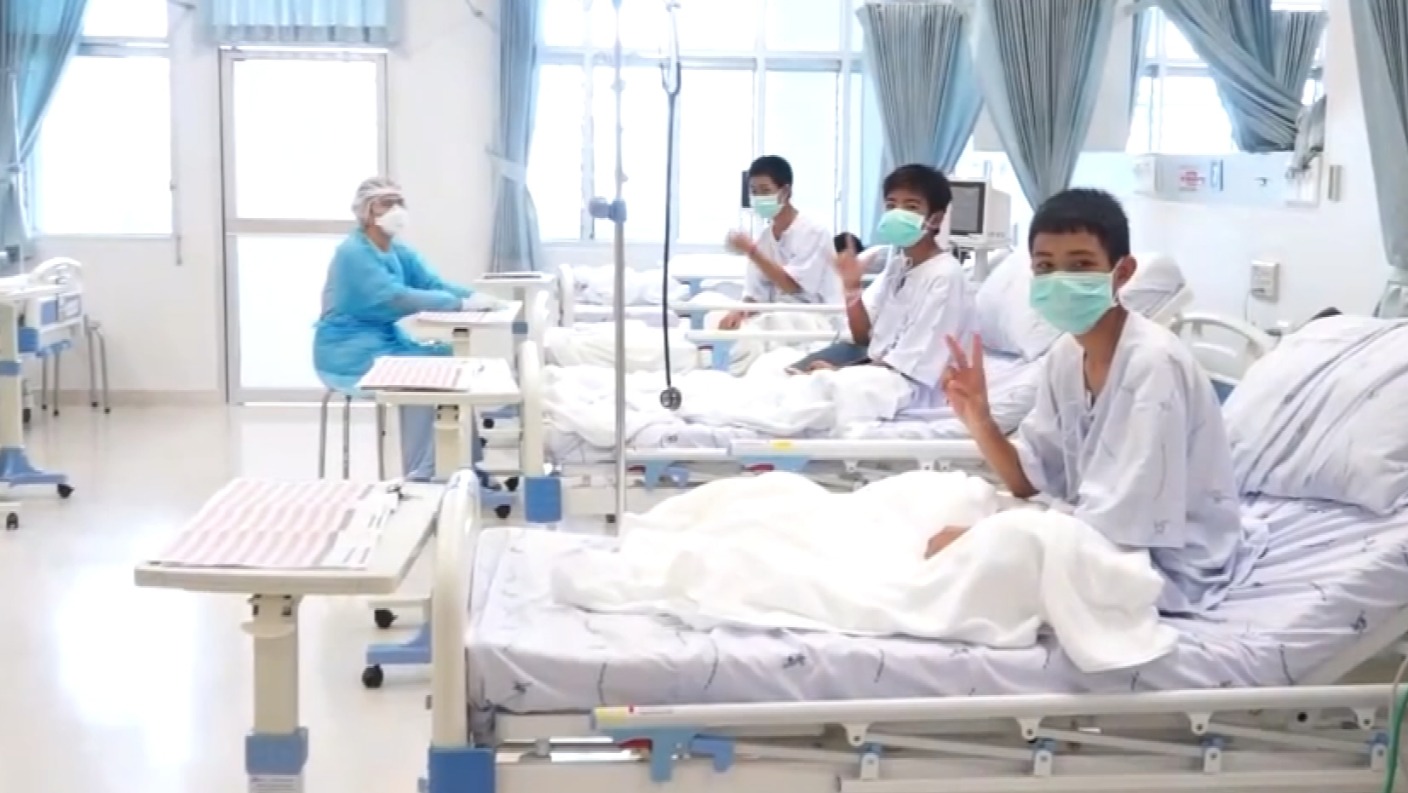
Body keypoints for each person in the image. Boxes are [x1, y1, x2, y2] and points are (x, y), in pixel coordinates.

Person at [931, 188, 1263, 614]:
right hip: (1094, 534)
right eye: (1045, 267)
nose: (1060, 281)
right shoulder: (1065, 357)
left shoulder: (1152, 366)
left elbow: (1121, 532)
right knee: (931, 503)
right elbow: (1027, 481)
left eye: (1081, 265)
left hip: (1162, 561)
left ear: (1122, 272)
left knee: (964, 561)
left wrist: (986, 541)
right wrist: (979, 418)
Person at [313, 176, 505, 481]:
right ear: (367, 211)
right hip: (348, 353)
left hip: (383, 343)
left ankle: (468, 469)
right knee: (422, 376)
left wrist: (476, 299)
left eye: (399, 202)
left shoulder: (395, 250)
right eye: (387, 203)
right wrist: (458, 305)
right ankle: (423, 476)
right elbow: (395, 297)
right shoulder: (353, 253)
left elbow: (431, 284)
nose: (396, 209)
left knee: (450, 361)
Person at [794, 164, 976, 409]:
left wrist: (841, 373)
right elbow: (862, 337)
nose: (897, 213)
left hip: (909, 388)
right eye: (891, 205)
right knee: (778, 367)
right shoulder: (899, 265)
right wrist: (851, 288)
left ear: (936, 218)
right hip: (877, 371)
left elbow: (911, 365)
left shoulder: (945, 276)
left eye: (911, 206)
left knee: (816, 392)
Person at [719, 155, 842, 330]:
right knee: (721, 320)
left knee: (768, 326)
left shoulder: (814, 232)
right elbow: (756, 294)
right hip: (778, 316)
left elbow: (791, 286)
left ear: (785, 192)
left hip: (815, 319)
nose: (758, 197)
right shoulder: (765, 239)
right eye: (754, 191)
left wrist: (751, 251)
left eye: (765, 191)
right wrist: (740, 312)